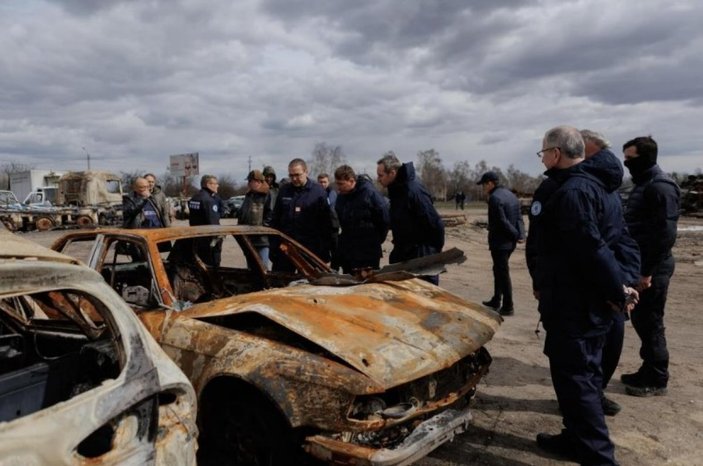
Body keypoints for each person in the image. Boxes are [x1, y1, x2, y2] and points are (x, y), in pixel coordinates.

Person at [531, 126, 638, 465]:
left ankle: (598, 457)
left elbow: (591, 249)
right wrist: (623, 284)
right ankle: (575, 439)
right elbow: (622, 242)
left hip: (575, 305)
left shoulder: (574, 192)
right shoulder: (600, 190)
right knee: (585, 378)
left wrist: (618, 289)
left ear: (557, 153)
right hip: (588, 302)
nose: (543, 159)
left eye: (543, 153)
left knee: (577, 383)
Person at [581, 130, 642, 415]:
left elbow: (622, 240)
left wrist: (624, 282)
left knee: (607, 344)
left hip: (605, 287)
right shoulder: (580, 189)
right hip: (598, 286)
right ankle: (585, 404)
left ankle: (593, 399)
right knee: (586, 353)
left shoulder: (603, 193)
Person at [620, 136, 680, 397]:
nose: (626, 163)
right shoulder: (645, 184)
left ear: (646, 157)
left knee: (651, 321)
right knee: (642, 319)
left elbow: (664, 235)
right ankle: (648, 368)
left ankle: (657, 378)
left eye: (630, 159)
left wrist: (647, 272)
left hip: (653, 268)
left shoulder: (660, 187)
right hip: (642, 265)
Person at [376, 152, 444, 285]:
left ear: (392, 173)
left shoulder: (413, 191)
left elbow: (435, 223)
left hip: (421, 254)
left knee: (425, 294)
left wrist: (432, 253)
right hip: (403, 252)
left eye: (380, 175)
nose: (378, 179)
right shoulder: (396, 190)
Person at [270, 158, 335, 272]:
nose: (294, 179)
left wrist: (324, 252)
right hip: (285, 249)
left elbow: (326, 224)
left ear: (306, 171)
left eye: (297, 175)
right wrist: (274, 246)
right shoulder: (284, 191)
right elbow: (276, 219)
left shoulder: (318, 193)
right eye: (291, 175)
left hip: (310, 251)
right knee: (280, 284)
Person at [477, 171, 525, 316]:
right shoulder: (511, 195)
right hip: (509, 242)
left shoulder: (495, 198)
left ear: (490, 183)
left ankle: (508, 305)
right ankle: (496, 299)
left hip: (500, 242)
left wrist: (515, 235)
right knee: (498, 269)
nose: (483, 188)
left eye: (484, 185)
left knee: (502, 272)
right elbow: (518, 218)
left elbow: (502, 221)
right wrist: (520, 234)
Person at [333, 165, 390, 273]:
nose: (338, 187)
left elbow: (384, 219)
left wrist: (376, 239)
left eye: (341, 184)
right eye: (337, 184)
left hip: (368, 251)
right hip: (348, 251)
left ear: (351, 181)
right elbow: (341, 221)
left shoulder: (369, 193)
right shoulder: (341, 197)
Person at [238, 169, 273, 269]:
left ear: (258, 182)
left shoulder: (267, 195)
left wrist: (262, 229)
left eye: (250, 181)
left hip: (261, 240)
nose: (248, 183)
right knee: (251, 269)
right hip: (249, 239)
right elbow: (243, 213)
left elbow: (270, 214)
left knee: (263, 268)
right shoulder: (249, 195)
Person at [188, 175, 223, 266]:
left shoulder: (194, 198)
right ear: (208, 184)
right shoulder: (209, 200)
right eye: (215, 184)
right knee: (212, 266)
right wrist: (218, 237)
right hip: (209, 240)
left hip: (196, 237)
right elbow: (213, 223)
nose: (217, 186)